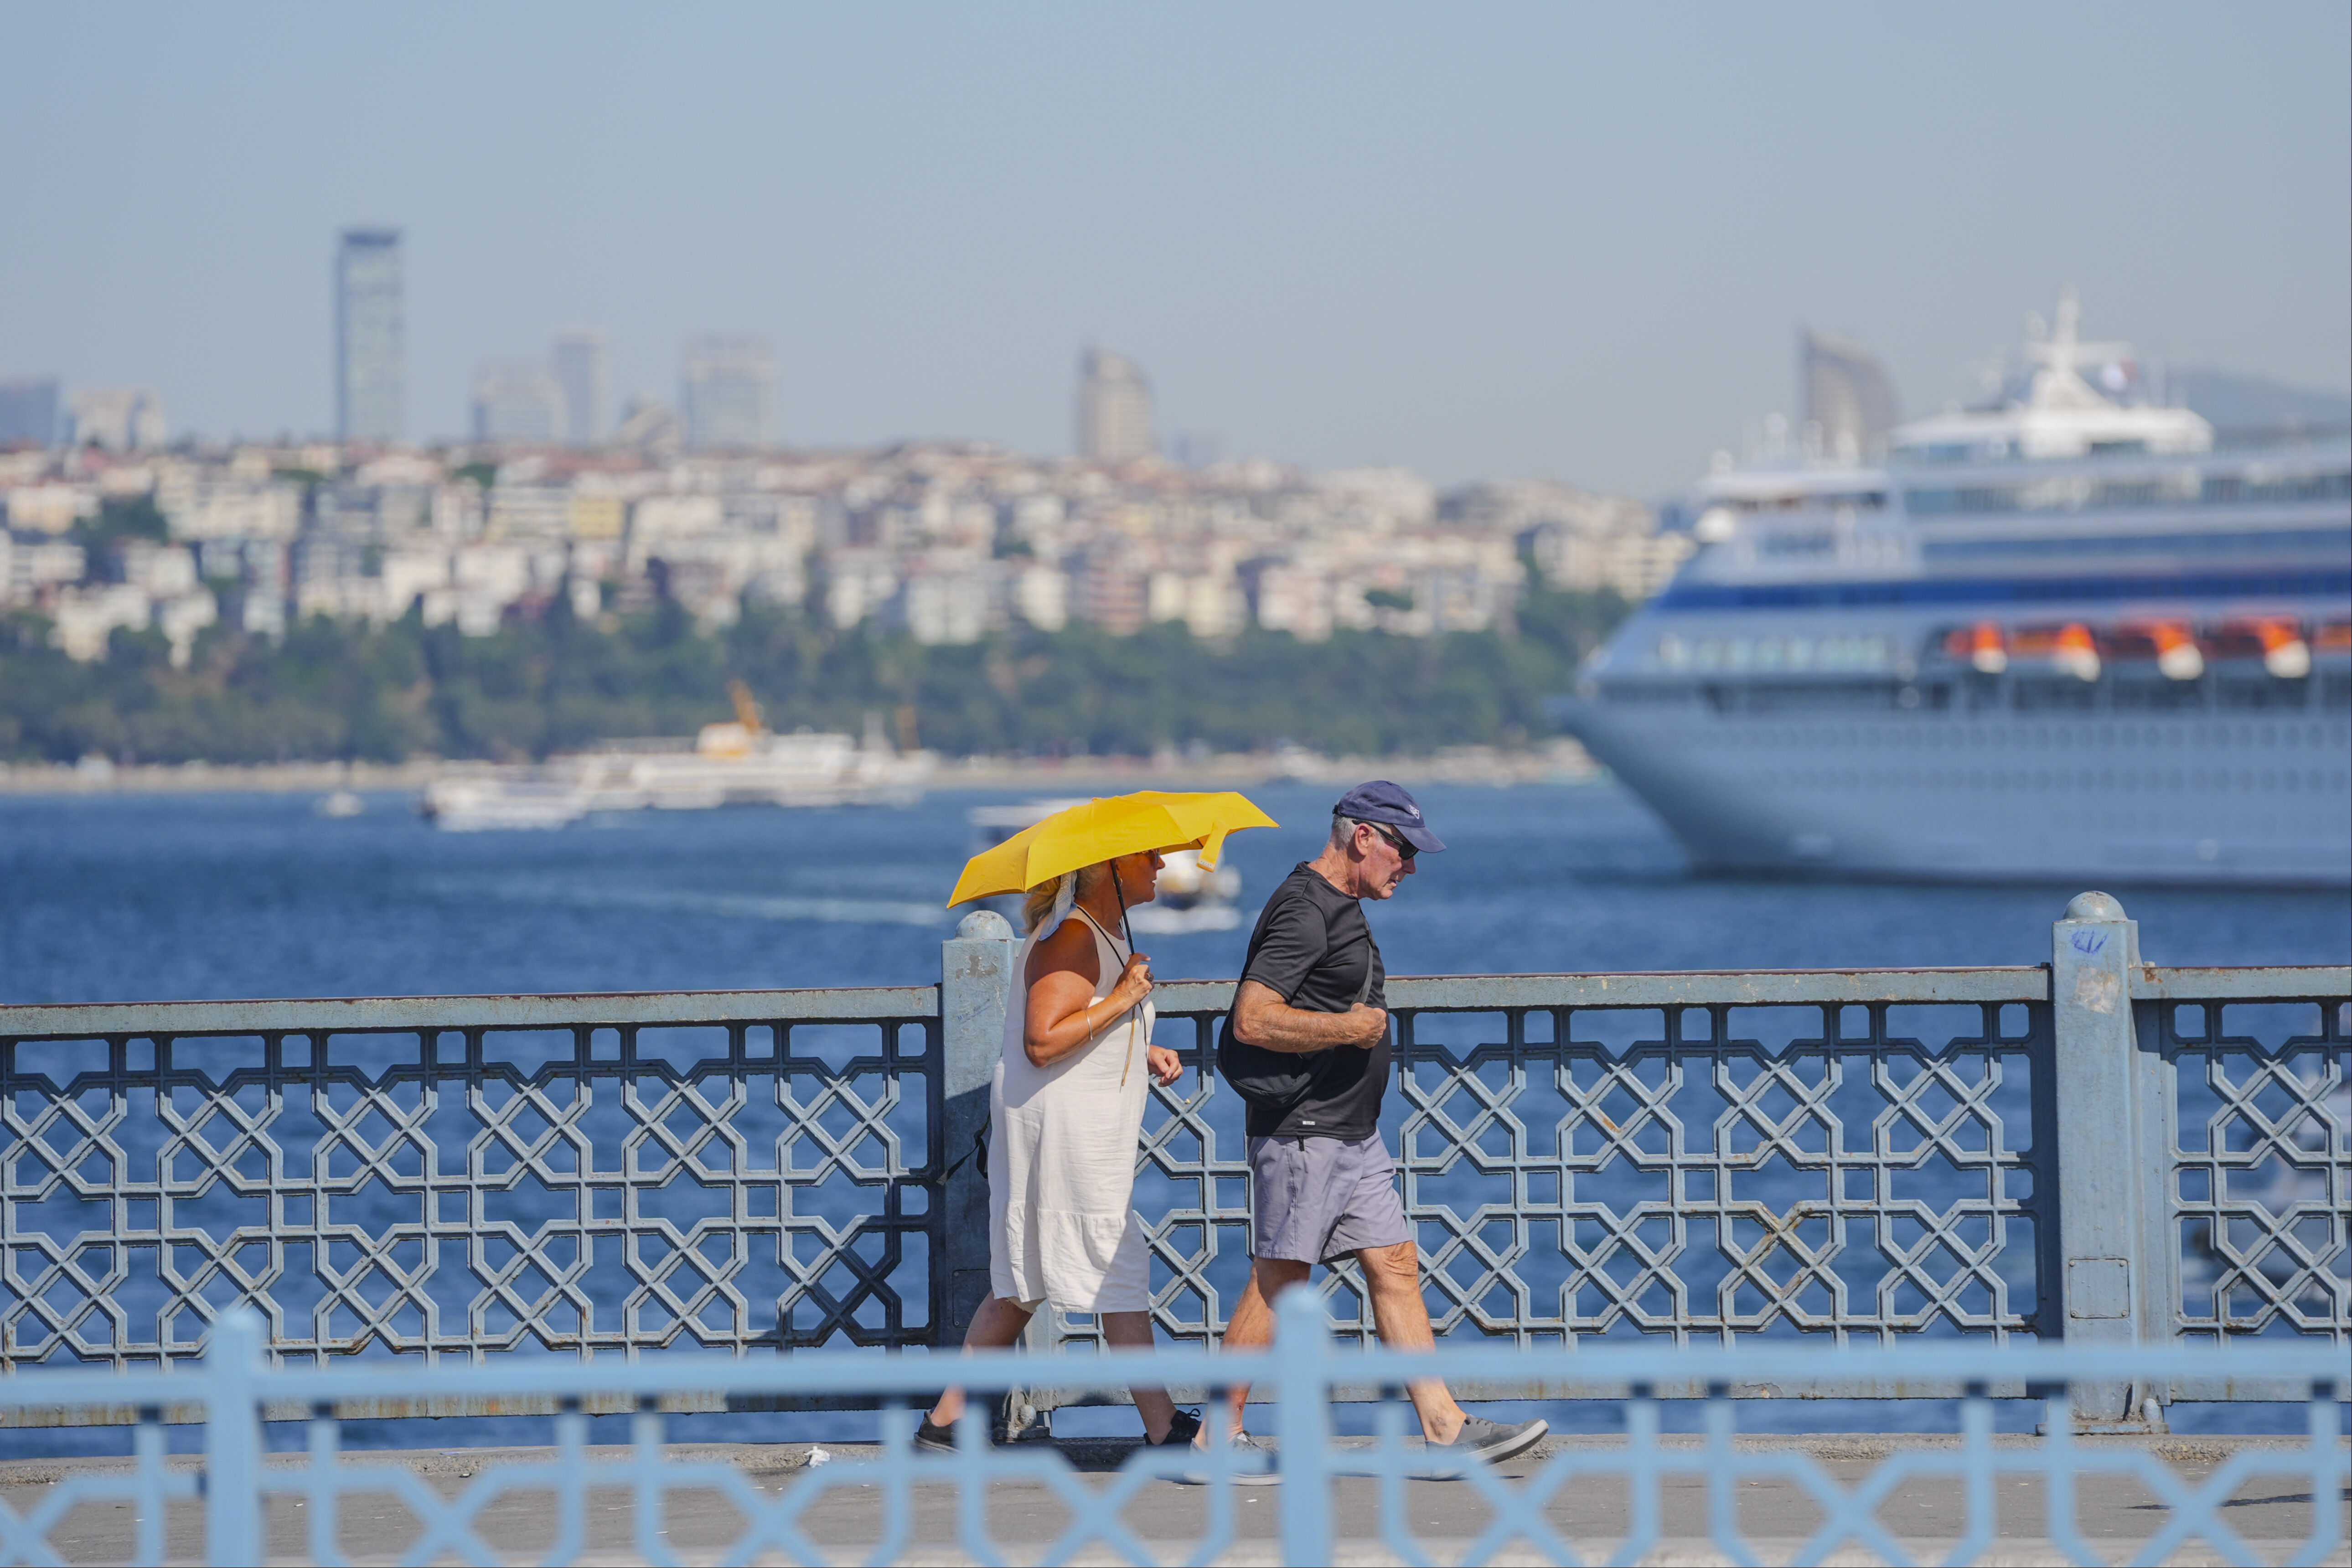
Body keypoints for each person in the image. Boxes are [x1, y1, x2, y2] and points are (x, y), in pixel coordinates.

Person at [1211, 782, 1546, 1472]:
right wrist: (1348, 1028)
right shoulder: (1306, 910)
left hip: (1351, 1129)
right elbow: (1252, 1019)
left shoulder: (1340, 905)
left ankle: (1444, 1426)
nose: (1411, 867)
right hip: (1306, 1129)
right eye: (1403, 850)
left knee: (1394, 1263)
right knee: (1281, 1278)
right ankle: (1217, 1434)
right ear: (1363, 836)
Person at [919, 849, 1201, 1450]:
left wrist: (1141, 1043)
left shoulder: (1100, 932)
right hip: (1063, 1131)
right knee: (1113, 1260)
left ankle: (943, 1423)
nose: (1159, 865)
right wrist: (1124, 1000)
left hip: (1069, 1124)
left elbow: (1079, 1019)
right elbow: (1043, 1041)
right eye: (1148, 856)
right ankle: (1164, 1426)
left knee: (1023, 1280)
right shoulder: (1074, 935)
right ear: (1111, 868)